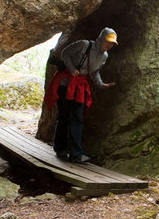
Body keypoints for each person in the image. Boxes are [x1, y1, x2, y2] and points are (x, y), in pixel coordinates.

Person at [44, 27, 117, 163]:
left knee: (77, 118)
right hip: (65, 84)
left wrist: (101, 84)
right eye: (107, 42)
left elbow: (94, 72)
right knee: (64, 117)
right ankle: (60, 149)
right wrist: (71, 68)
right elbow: (65, 53)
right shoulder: (84, 44)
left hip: (79, 87)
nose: (109, 45)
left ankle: (76, 154)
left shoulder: (104, 56)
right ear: (101, 39)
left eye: (112, 43)